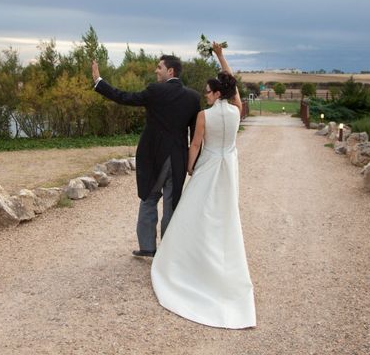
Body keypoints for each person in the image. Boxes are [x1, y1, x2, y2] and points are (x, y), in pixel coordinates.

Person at [151, 42, 256, 329]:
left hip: (208, 166)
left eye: (208, 92)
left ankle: (188, 261)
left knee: (197, 211)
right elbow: (232, 83)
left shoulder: (204, 116)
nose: (205, 95)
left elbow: (195, 145)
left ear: (215, 93)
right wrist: (221, 56)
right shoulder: (237, 110)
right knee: (225, 212)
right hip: (228, 167)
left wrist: (188, 167)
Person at [91, 55, 201, 257]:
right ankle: (170, 251)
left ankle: (148, 247)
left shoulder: (155, 91)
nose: (155, 70)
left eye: (159, 67)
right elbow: (195, 136)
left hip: (153, 156)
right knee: (172, 204)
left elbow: (124, 97)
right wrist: (193, 163)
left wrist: (99, 82)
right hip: (178, 158)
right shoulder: (193, 97)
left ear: (171, 71)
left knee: (149, 198)